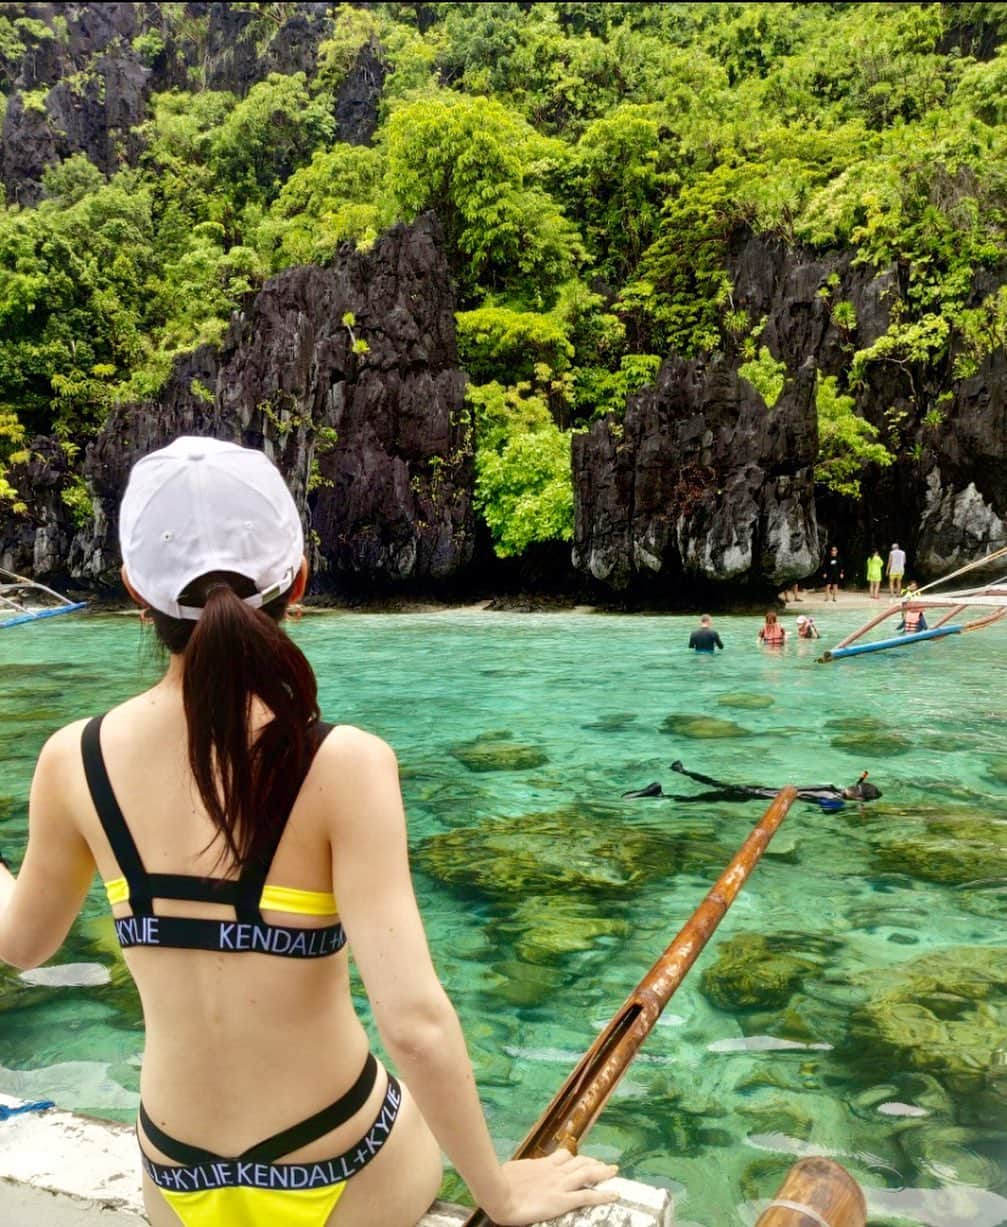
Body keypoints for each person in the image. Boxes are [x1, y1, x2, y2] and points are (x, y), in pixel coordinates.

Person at [0, 437, 617, 1227]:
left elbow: (22, 945)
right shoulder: (344, 763)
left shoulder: (72, 760)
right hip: (343, 1165)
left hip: (176, 1178)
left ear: (134, 590)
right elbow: (415, 1023)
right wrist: (496, 1191)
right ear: (297, 578)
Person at [623, 761, 882, 807]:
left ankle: (682, 771)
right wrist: (855, 810)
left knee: (716, 784)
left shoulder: (832, 787)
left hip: (759, 788)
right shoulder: (834, 799)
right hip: (755, 797)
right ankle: (657, 795)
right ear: (859, 798)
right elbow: (828, 810)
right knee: (697, 800)